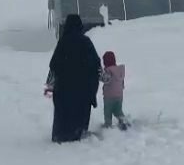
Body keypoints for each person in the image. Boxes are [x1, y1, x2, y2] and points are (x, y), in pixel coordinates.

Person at [47, 15, 101, 143]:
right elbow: (96, 65)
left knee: (63, 114)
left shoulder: (63, 42)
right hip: (83, 90)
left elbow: (54, 65)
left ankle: (61, 134)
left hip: (64, 89)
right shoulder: (86, 42)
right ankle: (79, 132)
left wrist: (49, 87)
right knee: (80, 114)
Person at [100, 51, 129, 131]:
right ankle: (123, 122)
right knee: (118, 110)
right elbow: (122, 83)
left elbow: (105, 79)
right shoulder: (120, 71)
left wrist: (100, 73)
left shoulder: (108, 71)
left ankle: (108, 126)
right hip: (119, 96)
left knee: (108, 112)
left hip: (109, 97)